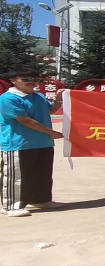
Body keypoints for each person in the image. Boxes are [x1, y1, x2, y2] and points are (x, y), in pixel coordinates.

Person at [0, 70, 65, 217]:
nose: (31, 82)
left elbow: (51, 110)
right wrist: (51, 132)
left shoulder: (38, 96)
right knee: (17, 177)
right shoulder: (8, 98)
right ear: (13, 80)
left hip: (43, 143)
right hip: (19, 144)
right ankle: (11, 205)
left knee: (42, 175)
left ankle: (41, 200)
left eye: (34, 79)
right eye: (25, 79)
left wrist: (58, 99)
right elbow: (25, 120)